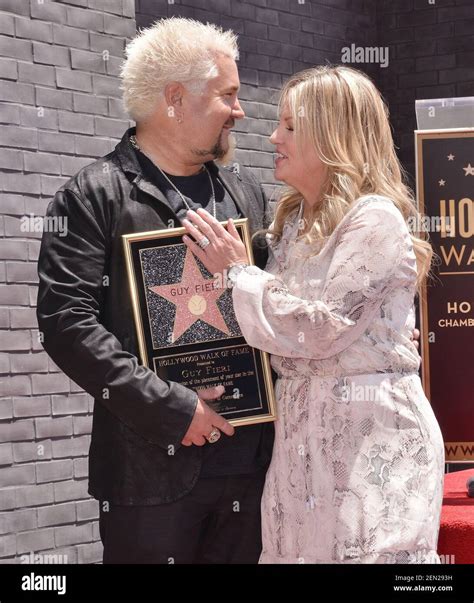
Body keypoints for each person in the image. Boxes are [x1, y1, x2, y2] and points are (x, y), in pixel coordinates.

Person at [182, 65, 445, 564]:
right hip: (301, 447)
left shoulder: (374, 218)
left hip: (373, 445)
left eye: (290, 126)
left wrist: (239, 274)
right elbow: (275, 332)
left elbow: (322, 327)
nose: (273, 135)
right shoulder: (294, 221)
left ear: (334, 134)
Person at [36, 18, 275, 564]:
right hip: (149, 476)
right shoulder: (93, 197)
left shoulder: (246, 191)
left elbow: (271, 303)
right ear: (174, 99)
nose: (240, 111)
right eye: (228, 95)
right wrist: (172, 410)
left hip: (252, 470)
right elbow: (67, 326)